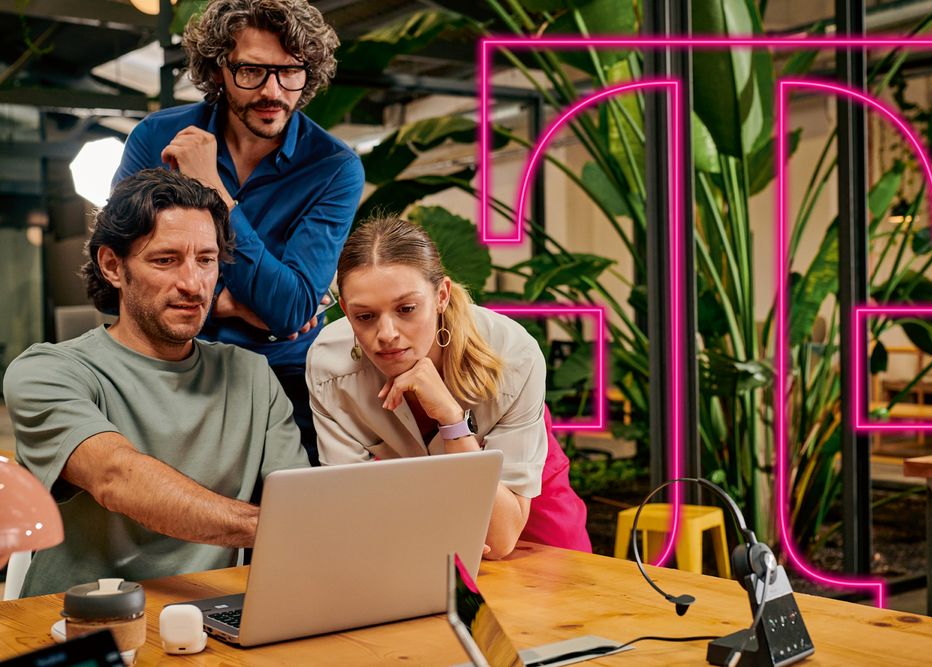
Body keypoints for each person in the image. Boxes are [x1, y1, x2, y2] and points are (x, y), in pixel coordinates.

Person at [3, 169, 310, 597]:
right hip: (78, 623)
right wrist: (271, 526)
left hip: (208, 618)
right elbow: (117, 478)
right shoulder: (47, 372)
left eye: (206, 260)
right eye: (165, 260)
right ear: (112, 265)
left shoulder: (252, 375)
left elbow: (300, 503)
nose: (192, 283)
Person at [113, 0, 364, 466]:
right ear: (218, 69)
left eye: (291, 71)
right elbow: (113, 284)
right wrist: (226, 302)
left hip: (283, 380)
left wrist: (212, 187)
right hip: (169, 368)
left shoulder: (333, 167)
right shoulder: (156, 139)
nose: (273, 91)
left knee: (288, 523)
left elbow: (289, 309)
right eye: (251, 70)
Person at [306, 217, 591, 558]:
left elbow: (500, 537)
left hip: (522, 493)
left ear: (441, 295)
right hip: (414, 506)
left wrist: (451, 421)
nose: (387, 334)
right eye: (364, 317)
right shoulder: (330, 367)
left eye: (406, 309)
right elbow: (353, 513)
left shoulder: (513, 355)